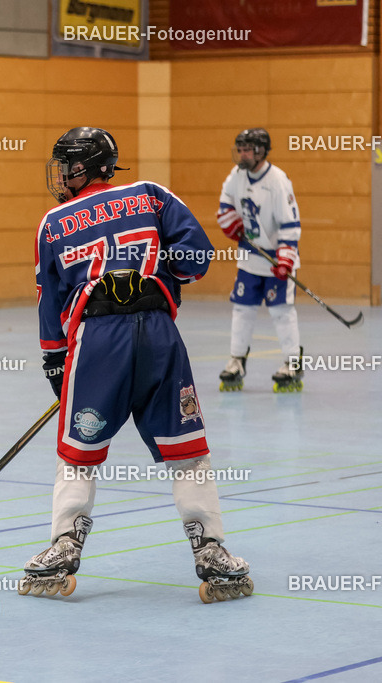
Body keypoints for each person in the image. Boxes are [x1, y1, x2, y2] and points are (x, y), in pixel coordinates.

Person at [26, 127, 251, 603]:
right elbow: (197, 260)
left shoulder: (53, 223)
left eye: (66, 164)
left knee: (78, 452)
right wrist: (157, 273)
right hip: (160, 338)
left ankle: (64, 545)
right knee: (187, 448)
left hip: (98, 342)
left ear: (83, 167)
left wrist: (54, 359)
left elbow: (50, 300)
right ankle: (211, 548)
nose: (61, 173)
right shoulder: (151, 195)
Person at [216, 128, 303, 393]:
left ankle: (293, 363)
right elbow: (226, 203)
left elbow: (290, 222)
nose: (242, 154)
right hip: (248, 258)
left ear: (261, 151)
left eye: (247, 149)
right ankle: (237, 360)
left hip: (276, 258)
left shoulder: (277, 181)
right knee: (242, 308)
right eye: (240, 149)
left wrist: (286, 259)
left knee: (281, 311)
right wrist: (230, 222)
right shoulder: (237, 175)